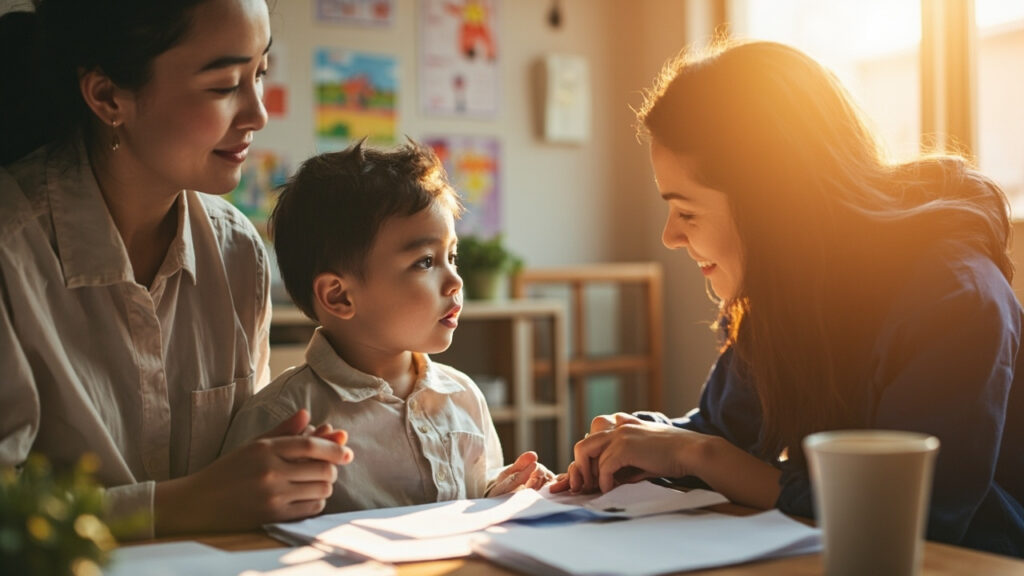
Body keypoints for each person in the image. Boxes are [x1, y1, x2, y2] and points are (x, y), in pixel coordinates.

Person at [551, 39, 1024, 557]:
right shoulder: (787, 293)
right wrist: (647, 437)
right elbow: (723, 431)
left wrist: (698, 454)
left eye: (687, 213)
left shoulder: (954, 297)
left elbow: (915, 513)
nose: (670, 237)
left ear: (772, 208)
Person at [0, 0, 353, 539]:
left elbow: (244, 459)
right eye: (223, 85)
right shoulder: (12, 252)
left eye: (260, 73)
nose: (258, 113)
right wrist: (184, 504)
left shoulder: (239, 252)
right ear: (107, 96)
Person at [221, 140, 553, 512]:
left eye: (452, 256)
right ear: (339, 297)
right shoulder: (282, 418)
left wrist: (502, 491)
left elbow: (477, 490)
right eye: (426, 262)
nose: (455, 281)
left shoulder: (463, 396)